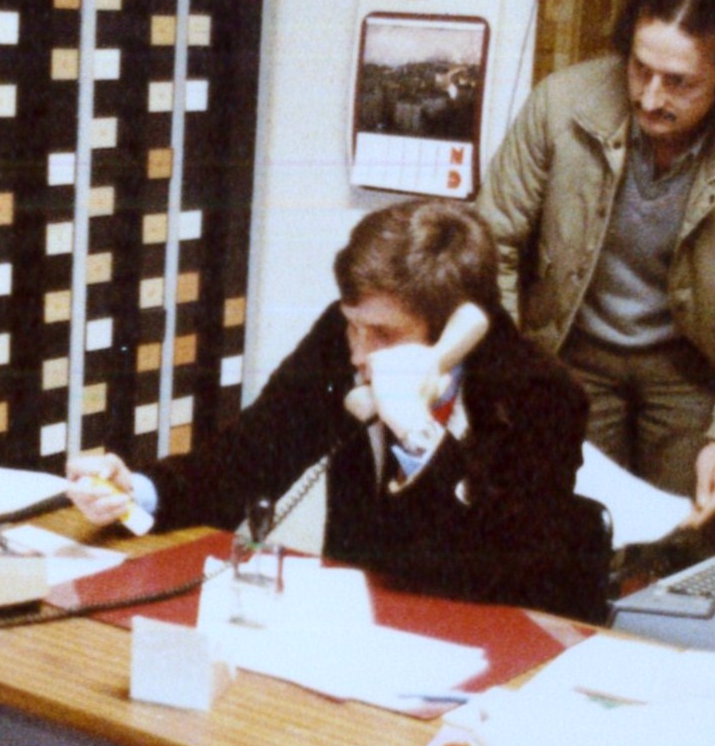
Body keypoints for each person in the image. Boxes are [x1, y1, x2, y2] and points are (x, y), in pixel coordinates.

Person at [67, 196, 602, 620]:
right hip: (355, 626)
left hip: (475, 645)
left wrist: (420, 437)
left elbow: (502, 572)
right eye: (352, 324)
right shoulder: (342, 336)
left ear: (456, 331)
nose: (358, 353)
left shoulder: (541, 395)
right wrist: (138, 491)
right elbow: (248, 457)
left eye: (383, 334)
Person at [474, 0, 715, 531]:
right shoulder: (561, 105)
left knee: (679, 538)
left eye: (679, 82)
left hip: (688, 368)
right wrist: (510, 373)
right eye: (639, 69)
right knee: (569, 528)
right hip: (570, 352)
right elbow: (492, 246)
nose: (651, 98)